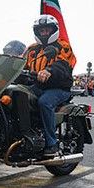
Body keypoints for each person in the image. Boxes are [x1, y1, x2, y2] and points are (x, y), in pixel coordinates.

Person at [23, 15, 75, 157]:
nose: (44, 33)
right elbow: (20, 63)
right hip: (38, 86)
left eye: (47, 30)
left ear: (54, 30)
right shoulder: (31, 49)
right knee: (16, 94)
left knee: (44, 102)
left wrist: (48, 71)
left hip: (59, 88)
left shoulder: (63, 46)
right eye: (41, 31)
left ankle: (51, 143)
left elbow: (63, 66)